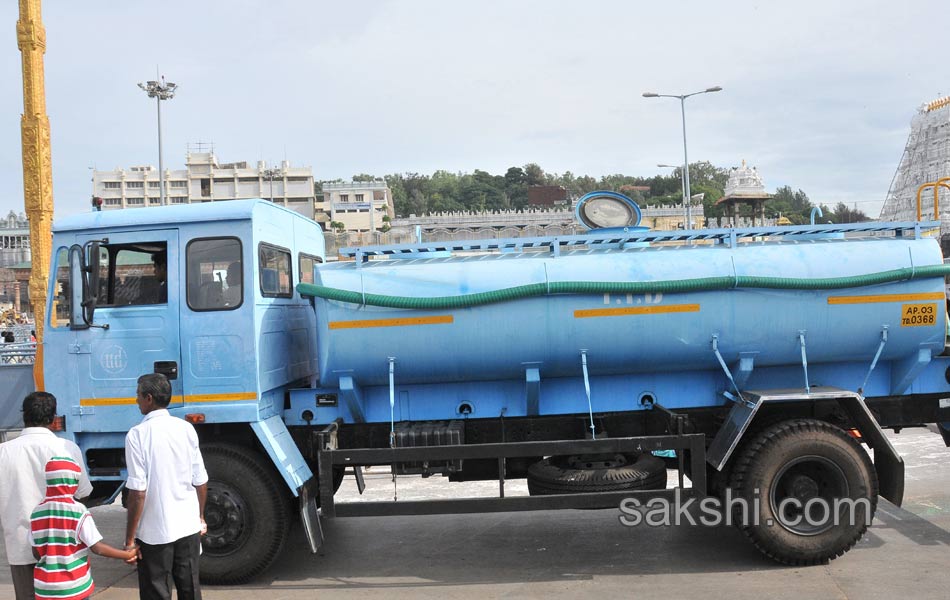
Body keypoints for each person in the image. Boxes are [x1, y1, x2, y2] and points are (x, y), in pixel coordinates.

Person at [0, 392, 92, 600]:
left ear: (25, 417)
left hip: (21, 550)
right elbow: (84, 494)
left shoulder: (3, 452)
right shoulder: (67, 448)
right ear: (53, 418)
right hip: (65, 552)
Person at [124, 373, 208, 600]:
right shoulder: (186, 429)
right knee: (190, 587)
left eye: (138, 395)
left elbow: (138, 493)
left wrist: (130, 540)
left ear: (148, 398)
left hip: (154, 532)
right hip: (188, 526)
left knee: (156, 590)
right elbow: (200, 480)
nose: (136, 400)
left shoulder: (137, 435)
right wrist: (199, 517)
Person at [30, 457, 137, 600]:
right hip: (74, 587)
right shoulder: (78, 511)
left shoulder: (37, 512)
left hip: (45, 588)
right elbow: (97, 548)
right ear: (73, 481)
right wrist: (127, 555)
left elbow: (35, 551)